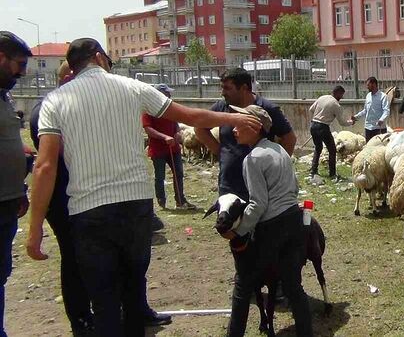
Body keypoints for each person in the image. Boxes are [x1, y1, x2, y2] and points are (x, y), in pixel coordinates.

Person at [26, 38, 262, 337]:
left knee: (104, 300)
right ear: (99, 58)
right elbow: (189, 116)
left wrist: (35, 230)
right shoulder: (131, 87)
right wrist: (237, 116)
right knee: (132, 293)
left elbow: (45, 166)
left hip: (88, 213)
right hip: (135, 208)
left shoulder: (54, 101)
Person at [222, 104, 312, 337]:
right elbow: (295, 187)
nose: (234, 128)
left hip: (272, 227)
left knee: (243, 286)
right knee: (293, 286)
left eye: (240, 123)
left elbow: (258, 204)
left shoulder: (253, 159)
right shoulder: (280, 150)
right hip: (294, 220)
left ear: (256, 127)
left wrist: (238, 231)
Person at [29, 62, 95, 335]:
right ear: (69, 78)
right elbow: (48, 164)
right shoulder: (48, 111)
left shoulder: (74, 108)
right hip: (62, 200)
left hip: (86, 195)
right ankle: (80, 320)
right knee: (74, 260)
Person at [195, 68, 295, 200]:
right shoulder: (222, 107)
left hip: (261, 185)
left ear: (244, 88)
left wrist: (277, 167)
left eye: (227, 88)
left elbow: (289, 138)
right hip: (229, 184)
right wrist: (220, 152)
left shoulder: (266, 109)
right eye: (222, 88)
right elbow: (200, 129)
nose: (222, 93)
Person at [0, 31, 31, 337]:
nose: (22, 73)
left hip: (8, 202)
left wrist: (19, 185)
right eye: (19, 65)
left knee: (1, 274)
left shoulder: (4, 96)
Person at [143, 84, 195, 210]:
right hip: (158, 149)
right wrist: (164, 137)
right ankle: (161, 200)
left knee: (179, 173)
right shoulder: (148, 110)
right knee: (160, 176)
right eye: (167, 93)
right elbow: (148, 129)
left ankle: (180, 200)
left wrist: (177, 132)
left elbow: (175, 122)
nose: (170, 95)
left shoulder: (170, 108)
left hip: (173, 148)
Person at [308, 85, 350, 184]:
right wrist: (351, 122)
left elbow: (311, 109)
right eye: (341, 95)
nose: (341, 98)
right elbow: (342, 122)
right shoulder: (336, 105)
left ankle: (313, 170)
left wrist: (319, 116)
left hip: (313, 125)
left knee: (318, 148)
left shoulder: (322, 97)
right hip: (323, 127)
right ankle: (332, 173)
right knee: (332, 150)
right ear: (338, 93)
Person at [351, 76, 390, 141]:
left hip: (379, 128)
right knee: (369, 148)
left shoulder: (383, 96)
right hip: (368, 127)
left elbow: (386, 111)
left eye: (368, 85)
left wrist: (381, 119)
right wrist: (356, 117)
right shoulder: (368, 96)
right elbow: (365, 110)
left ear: (374, 84)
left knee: (379, 149)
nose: (367, 87)